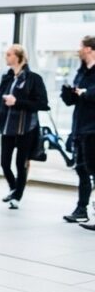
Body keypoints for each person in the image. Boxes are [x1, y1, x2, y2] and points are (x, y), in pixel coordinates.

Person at [0, 44, 49, 210]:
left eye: (9, 54)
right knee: (4, 163)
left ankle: (17, 196)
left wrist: (17, 102)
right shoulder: (8, 77)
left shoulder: (34, 78)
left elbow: (43, 104)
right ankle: (14, 188)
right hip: (7, 126)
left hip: (26, 128)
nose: (6, 57)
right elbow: (1, 95)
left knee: (21, 163)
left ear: (19, 57)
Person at [62, 35, 95, 226]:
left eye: (81, 46)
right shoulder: (82, 72)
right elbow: (73, 100)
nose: (78, 50)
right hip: (80, 128)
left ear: (89, 49)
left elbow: (90, 94)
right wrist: (69, 94)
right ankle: (81, 209)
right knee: (81, 169)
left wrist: (86, 93)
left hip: (93, 129)